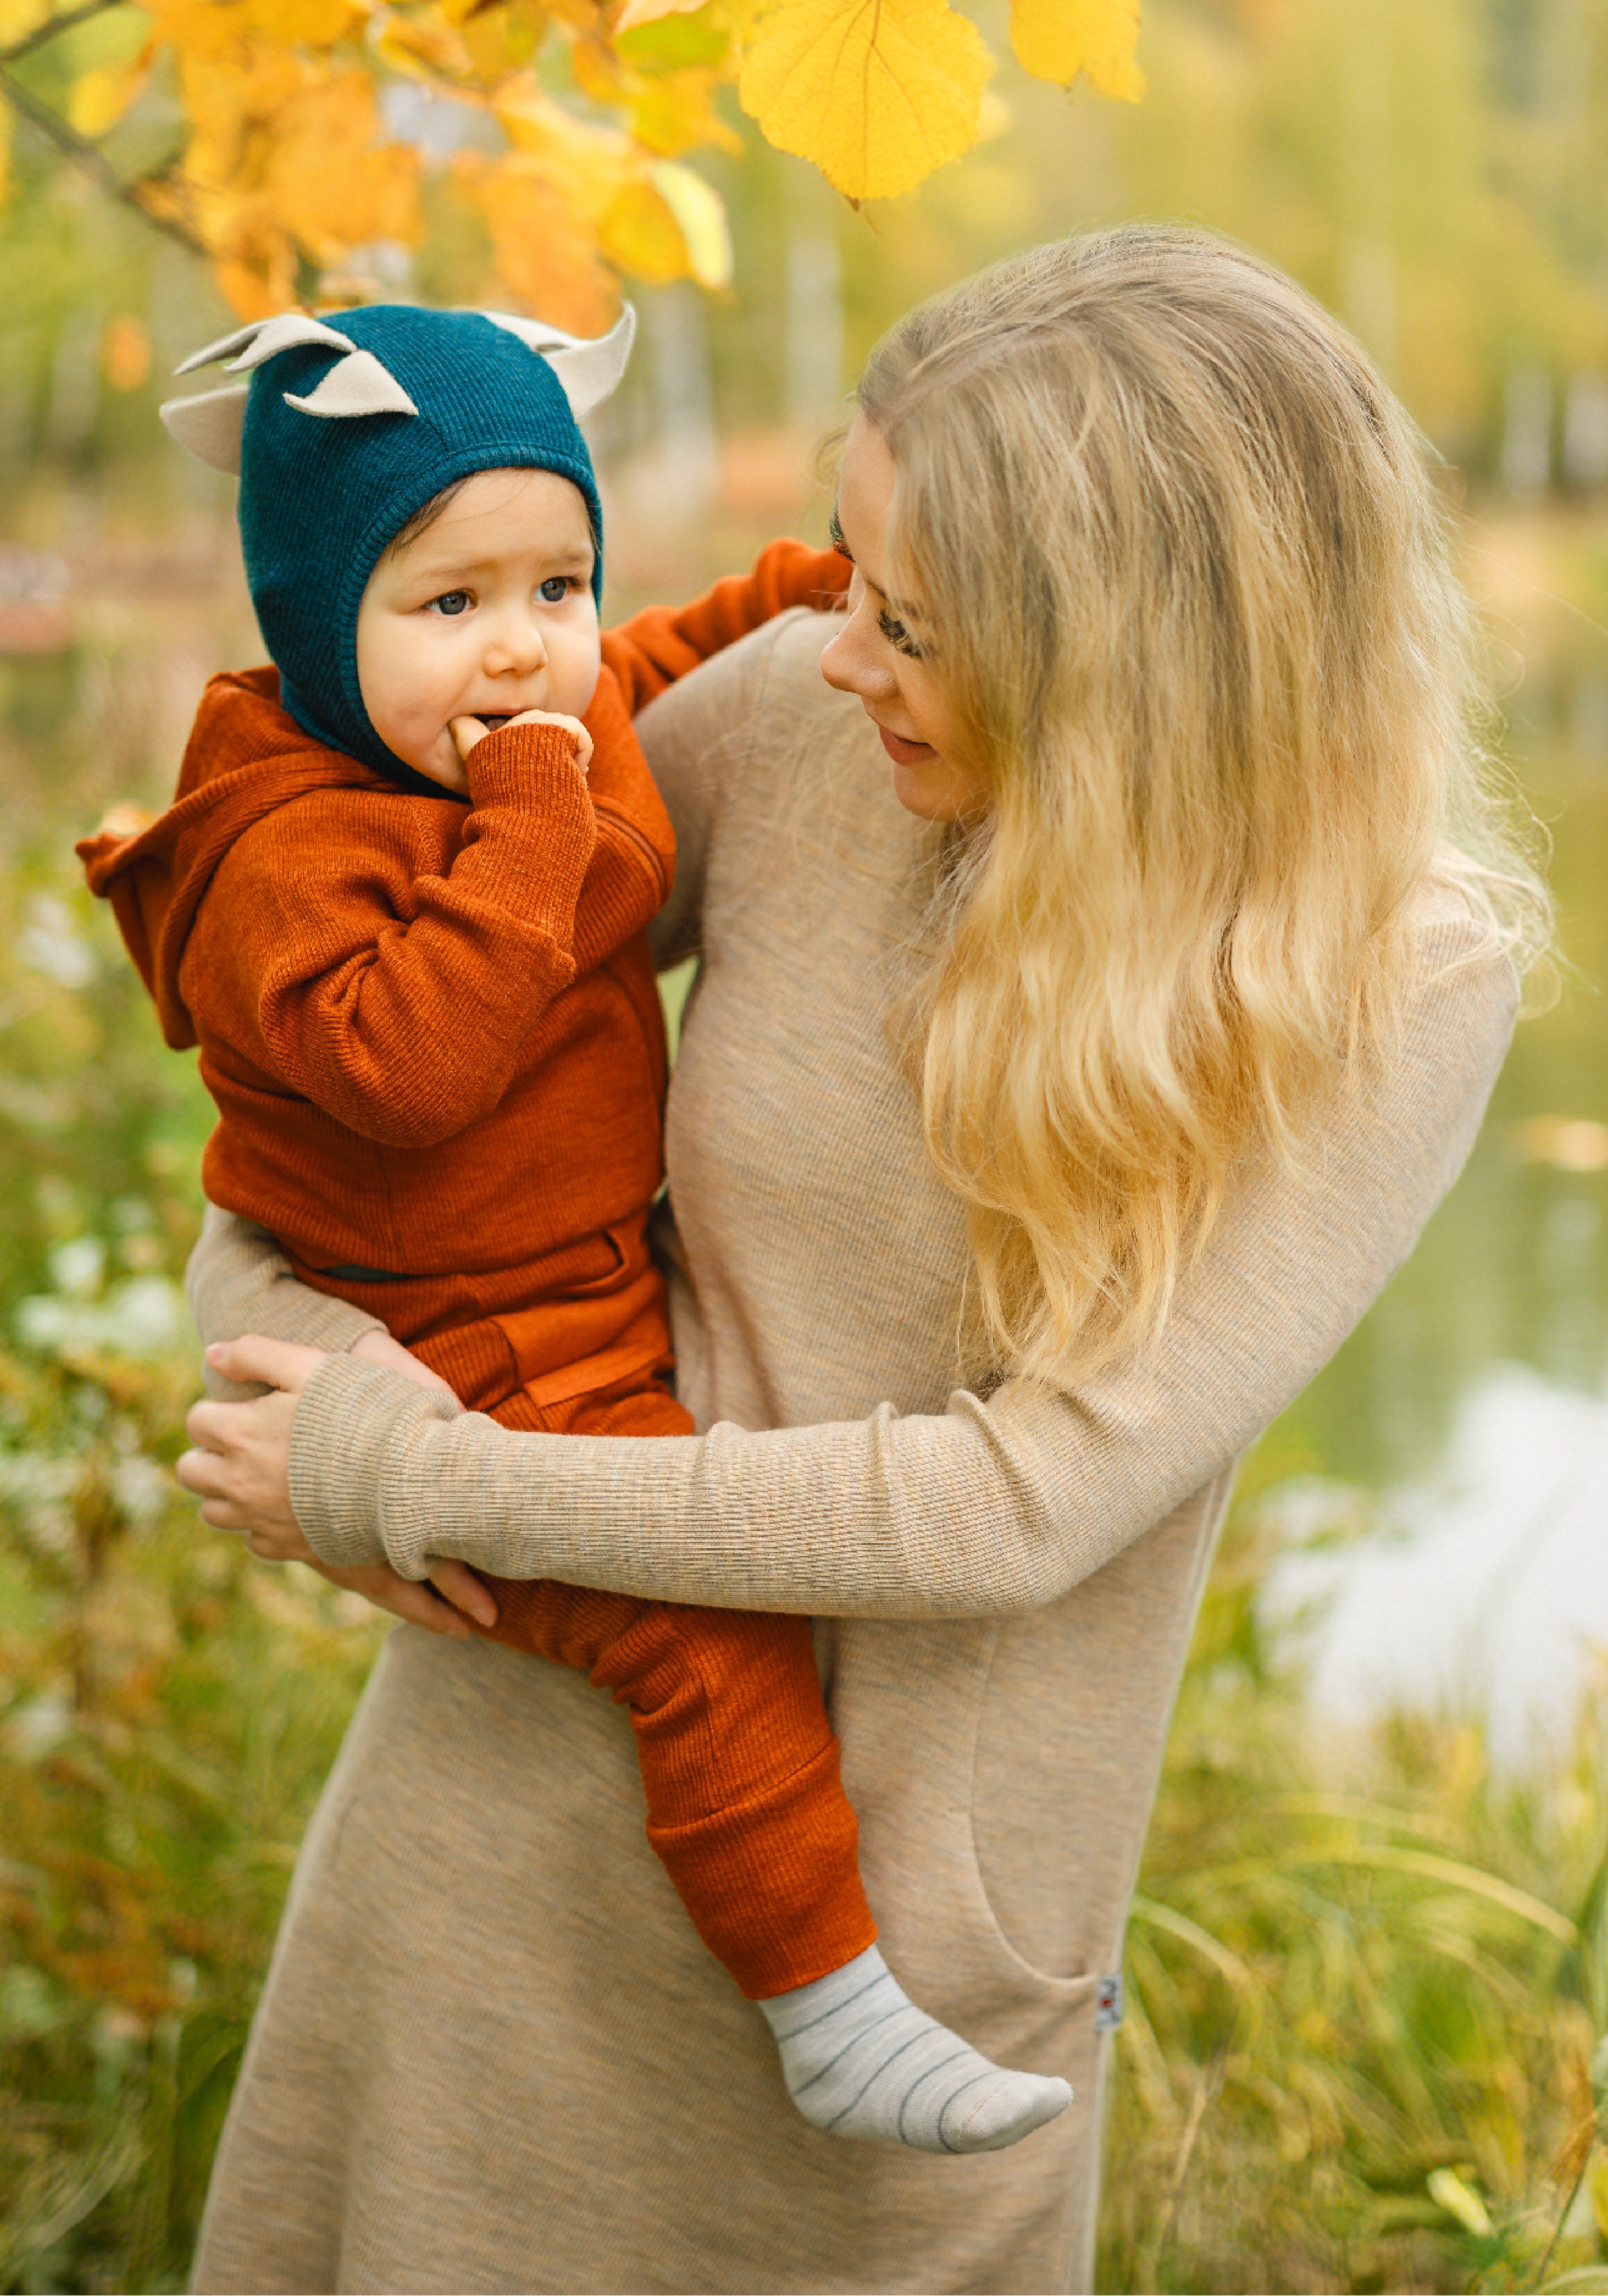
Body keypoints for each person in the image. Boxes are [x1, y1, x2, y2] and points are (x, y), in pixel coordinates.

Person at [175, 227, 1545, 2295]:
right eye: (847, 578)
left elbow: (1019, 1505)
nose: (836, 653)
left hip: (896, 1957)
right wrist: (291, 1364)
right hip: (504, 1801)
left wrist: (432, 1476)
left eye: (908, 622)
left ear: (1134, 655)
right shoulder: (803, 728)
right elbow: (355, 1093)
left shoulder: (1389, 979)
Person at [78, 301, 1070, 2156]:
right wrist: (533, 809)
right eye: (447, 601)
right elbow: (410, 1069)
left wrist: (801, 585)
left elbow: (653, 668)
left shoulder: (526, 712)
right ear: (314, 617)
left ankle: (826, 1995)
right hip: (462, 1340)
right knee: (702, 1650)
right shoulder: (290, 851)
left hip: (574, 1282)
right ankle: (830, 2009)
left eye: (557, 583)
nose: (523, 645)